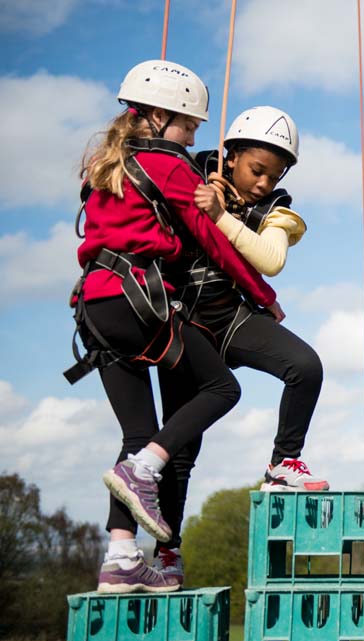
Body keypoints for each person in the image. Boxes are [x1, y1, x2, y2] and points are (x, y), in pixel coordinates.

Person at [69, 60, 278, 594]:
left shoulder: (104, 164)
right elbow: (212, 241)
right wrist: (262, 296)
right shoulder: (168, 164)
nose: (194, 136)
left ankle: (120, 557)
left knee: (138, 437)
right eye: (189, 124)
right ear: (160, 116)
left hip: (95, 308)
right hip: (138, 301)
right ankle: (147, 472)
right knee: (221, 387)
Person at [152, 106, 327, 584]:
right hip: (184, 325)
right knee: (182, 449)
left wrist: (218, 217)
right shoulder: (187, 174)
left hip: (231, 318)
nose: (264, 184)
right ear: (229, 158)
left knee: (305, 366)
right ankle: (167, 551)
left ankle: (281, 465)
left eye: (274, 175)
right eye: (256, 170)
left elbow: (270, 260)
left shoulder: (279, 210)